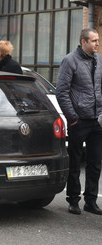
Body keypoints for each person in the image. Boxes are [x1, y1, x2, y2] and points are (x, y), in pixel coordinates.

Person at [56, 28, 102, 215]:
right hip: (79, 121)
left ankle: (91, 201)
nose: (97, 44)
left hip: (97, 120)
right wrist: (73, 118)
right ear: (83, 42)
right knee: (75, 162)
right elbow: (62, 91)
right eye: (93, 41)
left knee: (95, 163)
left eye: (98, 40)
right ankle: (73, 200)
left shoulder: (100, 60)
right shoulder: (70, 60)